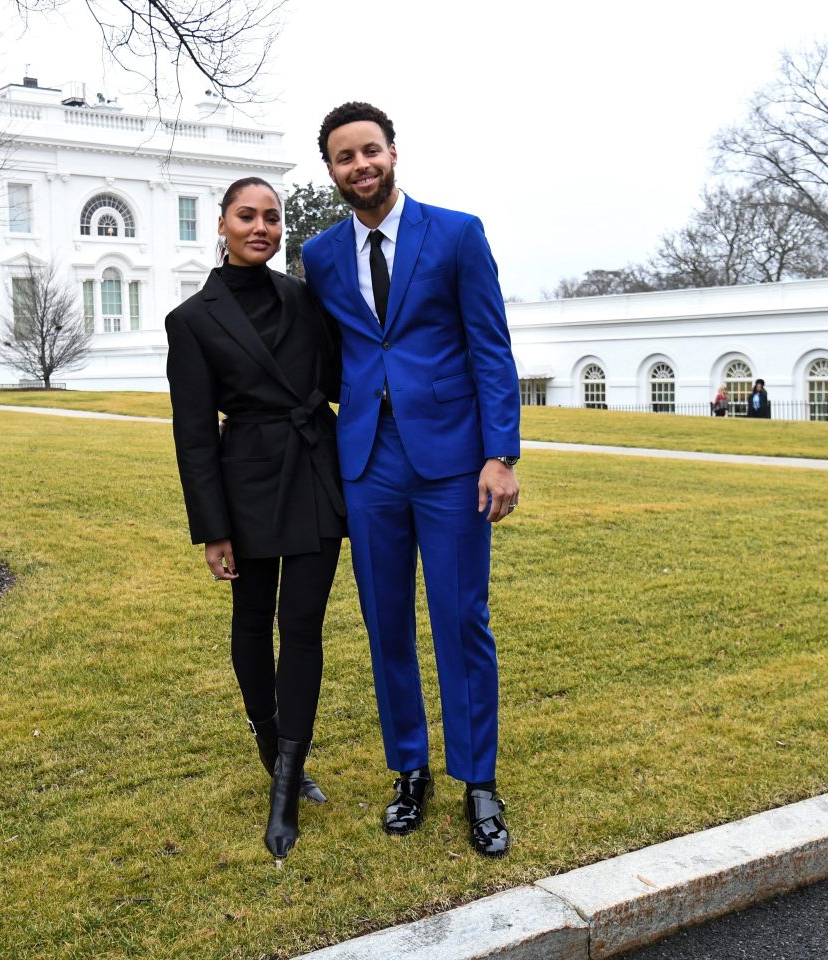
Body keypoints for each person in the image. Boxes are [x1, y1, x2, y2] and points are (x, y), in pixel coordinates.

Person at [302, 102, 520, 858]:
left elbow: (490, 347)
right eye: (343, 157)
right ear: (331, 171)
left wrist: (501, 455)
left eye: (370, 151)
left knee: (462, 619)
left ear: (393, 153)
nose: (360, 166)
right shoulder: (321, 254)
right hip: (367, 461)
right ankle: (410, 771)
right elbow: (319, 350)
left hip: (455, 460)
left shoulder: (457, 234)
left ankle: (478, 781)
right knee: (385, 621)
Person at [165, 176, 348, 860]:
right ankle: (272, 749)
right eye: (248, 216)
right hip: (245, 482)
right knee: (252, 622)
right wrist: (213, 529)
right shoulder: (192, 319)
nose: (262, 227)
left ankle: (287, 786)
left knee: (302, 629)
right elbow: (192, 431)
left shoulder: (305, 300)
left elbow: (337, 378)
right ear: (222, 224)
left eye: (272, 217)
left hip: (312, 472)